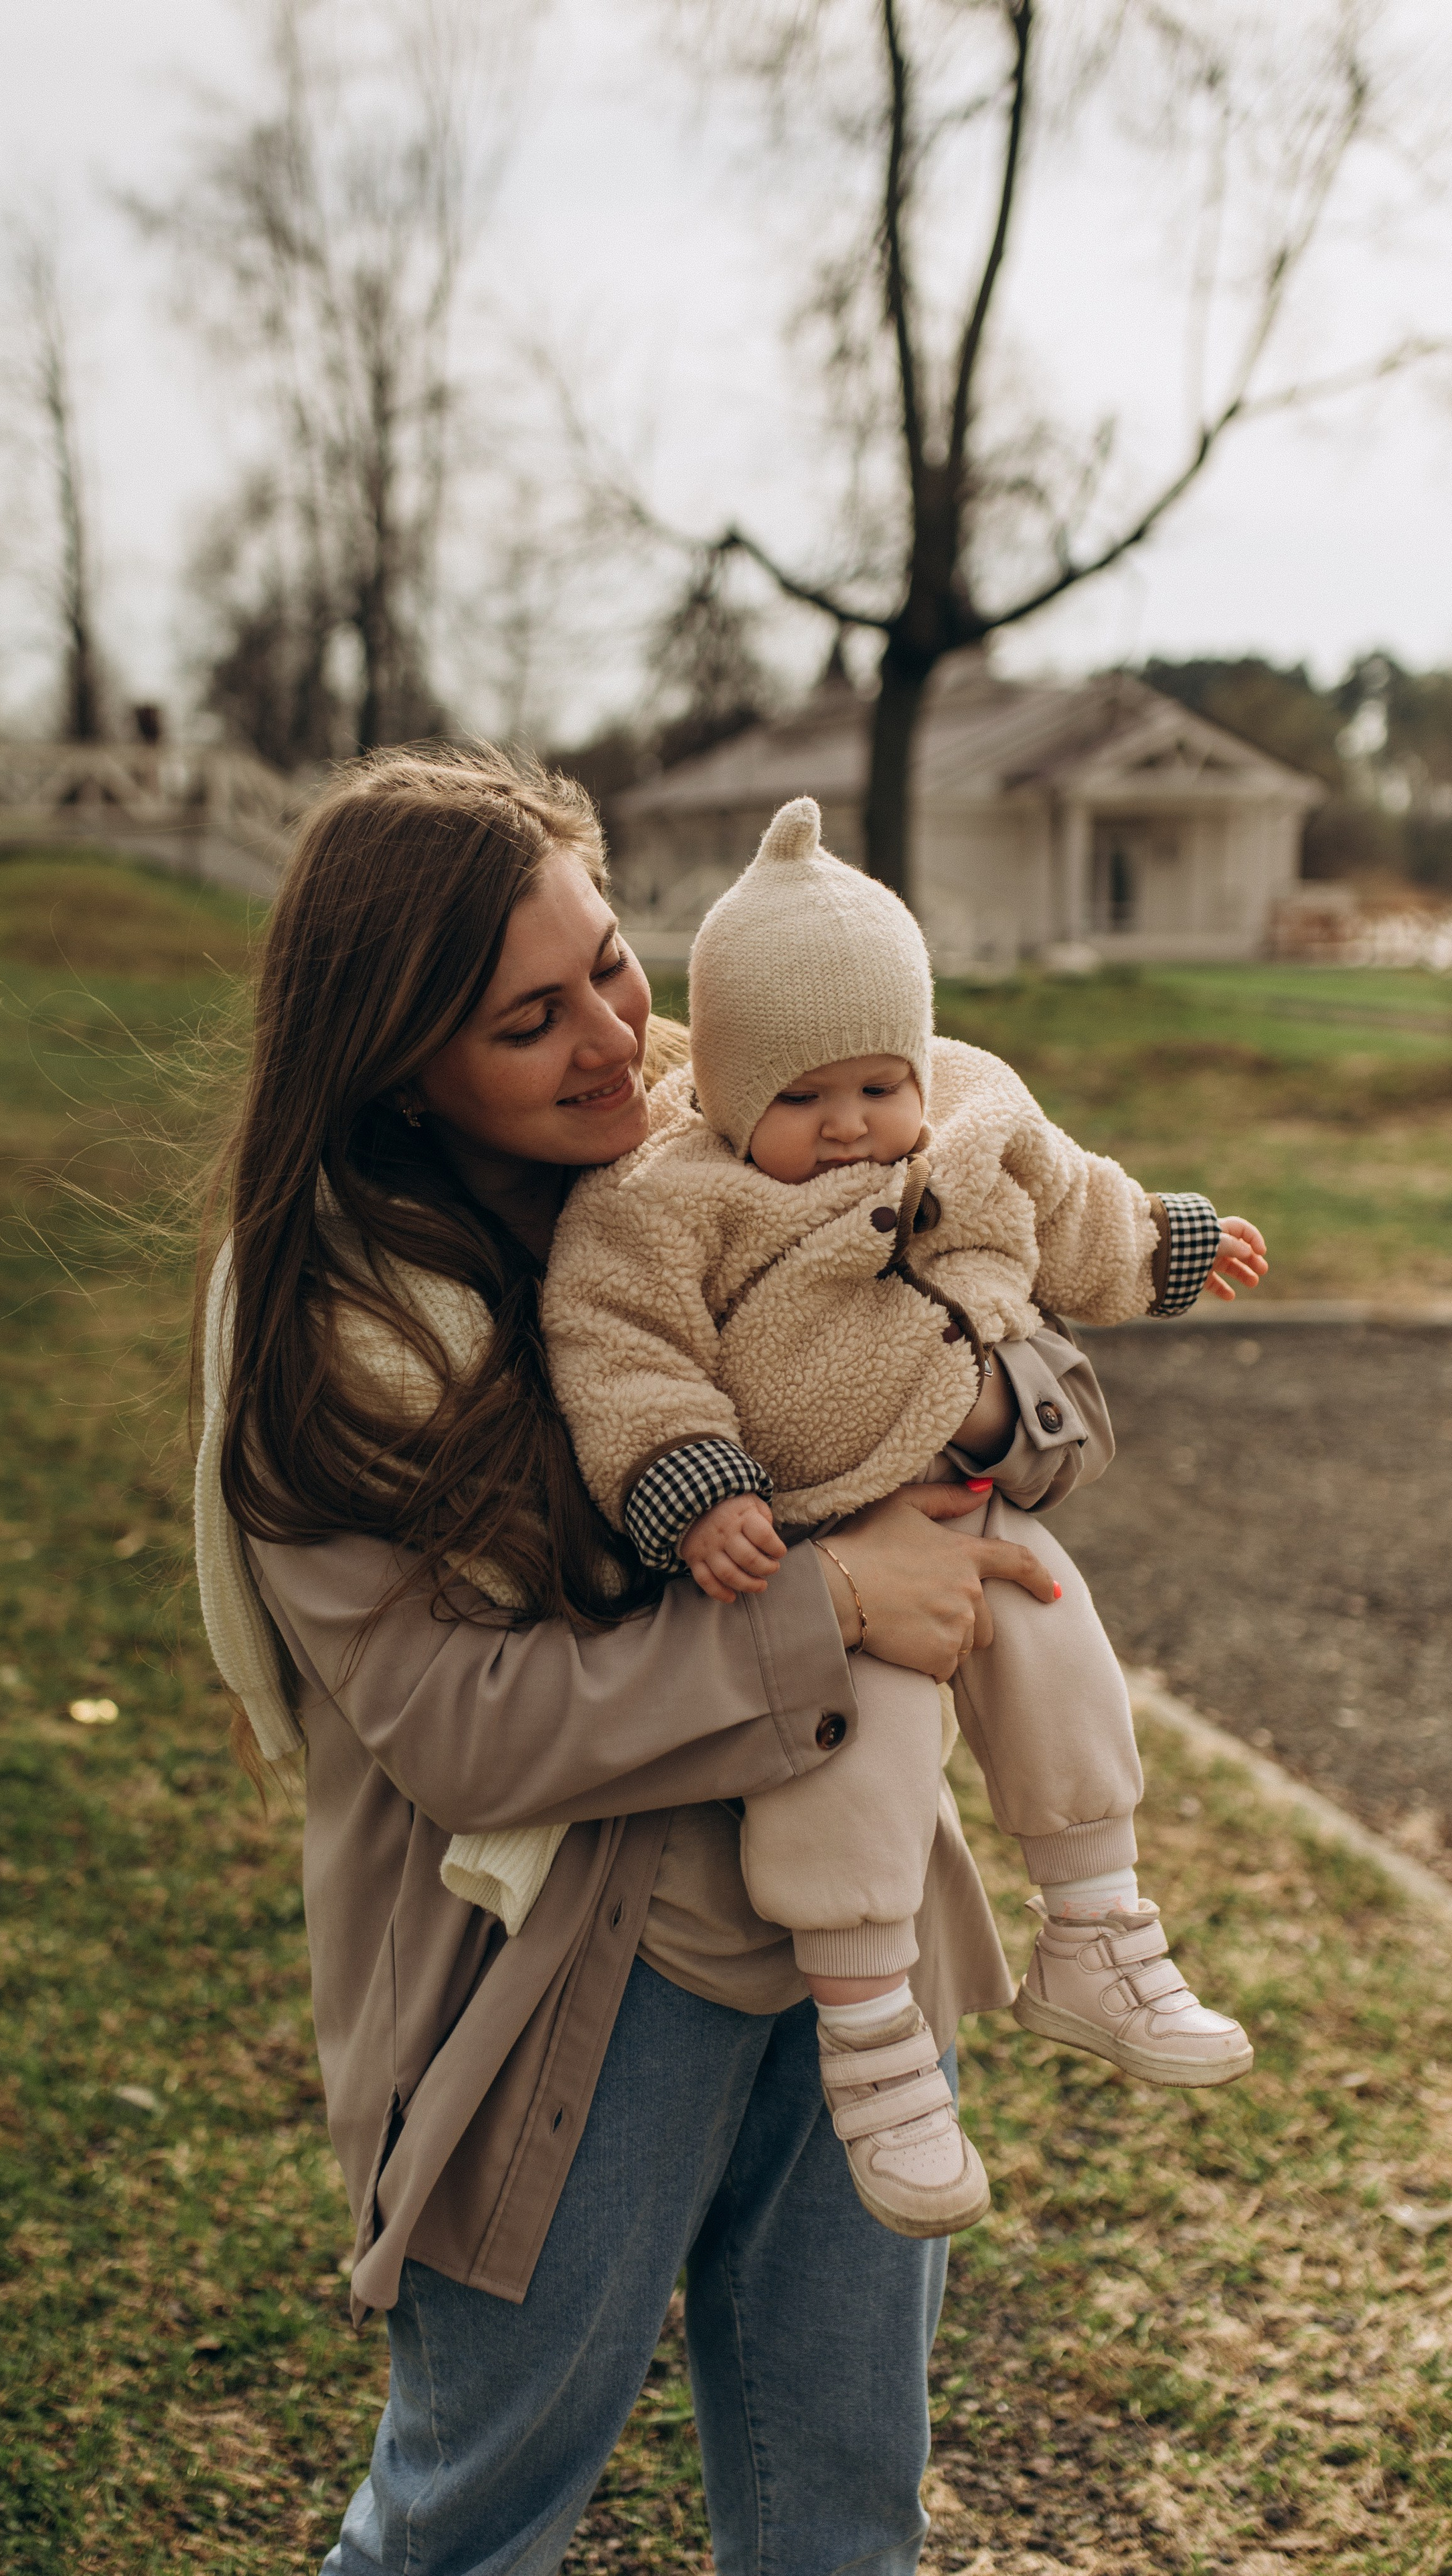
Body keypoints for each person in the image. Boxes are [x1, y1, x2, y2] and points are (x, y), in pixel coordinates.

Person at [193, 745, 1074, 2575]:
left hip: (843, 1929)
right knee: (473, 2510)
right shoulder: (344, 1338)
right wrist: (827, 1604)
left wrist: (990, 1401)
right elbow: (463, 1732)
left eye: (610, 959)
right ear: (399, 1068)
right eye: (532, 1019)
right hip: (556, 1992)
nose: (613, 1032)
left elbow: (1035, 1366)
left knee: (846, 2505)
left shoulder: (762, 1135)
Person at [453, 794, 1261, 2243]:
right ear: (727, 1094)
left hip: (973, 1511)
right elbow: (619, 1352)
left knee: (1067, 1668)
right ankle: (873, 2046)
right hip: (816, 1544)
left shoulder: (970, 1106)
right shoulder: (661, 1199)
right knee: (856, 1764)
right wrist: (691, 1485)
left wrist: (1166, 1242)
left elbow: (1073, 1202)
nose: (849, 1128)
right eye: (802, 1099)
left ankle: (1095, 1927)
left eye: (876, 1086)